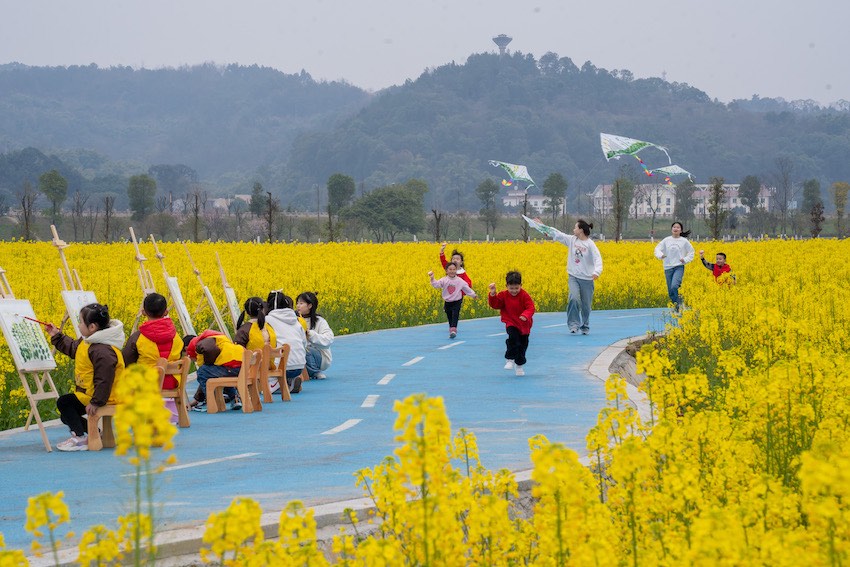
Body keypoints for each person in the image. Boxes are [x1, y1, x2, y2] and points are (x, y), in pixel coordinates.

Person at [45, 303, 125, 452]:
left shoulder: (102, 351)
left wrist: (96, 402)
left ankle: (80, 438)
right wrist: (57, 335)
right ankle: (94, 434)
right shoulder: (89, 342)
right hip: (94, 394)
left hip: (106, 396)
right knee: (66, 415)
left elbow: (104, 379)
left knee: (64, 403)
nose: (79, 325)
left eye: (81, 322)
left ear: (92, 327)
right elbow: (74, 348)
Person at [122, 293, 184, 424]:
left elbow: (126, 361)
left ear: (144, 312)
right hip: (172, 382)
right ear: (166, 311)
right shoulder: (176, 336)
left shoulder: (138, 337)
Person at [540, 218, 603, 335]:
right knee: (573, 299)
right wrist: (543, 227)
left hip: (587, 279)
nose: (573, 229)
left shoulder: (590, 244)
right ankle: (573, 325)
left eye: (575, 227)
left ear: (580, 230)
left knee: (586, 305)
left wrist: (596, 272)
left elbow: (597, 258)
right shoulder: (572, 240)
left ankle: (585, 326)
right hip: (573, 276)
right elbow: (558, 234)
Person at [488, 271, 535, 376]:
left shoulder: (524, 295)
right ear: (507, 286)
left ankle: (519, 365)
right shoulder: (503, 295)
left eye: (516, 288)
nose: (514, 291)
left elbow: (531, 307)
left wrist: (525, 315)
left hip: (524, 325)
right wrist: (492, 294)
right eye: (511, 288)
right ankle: (509, 359)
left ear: (521, 286)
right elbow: (495, 304)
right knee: (513, 338)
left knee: (522, 346)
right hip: (511, 322)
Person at [184, 330, 244, 412]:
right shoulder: (217, 338)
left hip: (231, 368)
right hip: (239, 367)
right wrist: (197, 399)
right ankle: (235, 398)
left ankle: (213, 401)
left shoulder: (200, 345)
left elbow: (204, 367)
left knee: (202, 371)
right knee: (217, 373)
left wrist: (207, 363)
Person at [264, 291, 307, 394]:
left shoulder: (268, 319)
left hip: (282, 366)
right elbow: (304, 342)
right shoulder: (295, 319)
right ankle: (291, 381)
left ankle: (275, 383)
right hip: (300, 365)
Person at [428, 262, 478, 339]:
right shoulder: (444, 280)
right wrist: (432, 278)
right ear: (446, 271)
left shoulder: (459, 280)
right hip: (447, 302)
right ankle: (452, 329)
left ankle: (453, 329)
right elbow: (436, 285)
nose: (452, 271)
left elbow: (466, 288)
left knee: (455, 314)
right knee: (449, 316)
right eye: (450, 269)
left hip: (457, 301)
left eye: (454, 269)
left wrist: (473, 294)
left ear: (456, 270)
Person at [654, 221, 695, 309]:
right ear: (671, 229)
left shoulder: (684, 241)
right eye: (674, 227)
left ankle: (680, 304)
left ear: (681, 230)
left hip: (679, 266)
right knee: (670, 291)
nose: (675, 229)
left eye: (678, 227)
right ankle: (676, 306)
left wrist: (685, 259)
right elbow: (657, 249)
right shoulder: (666, 240)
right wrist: (661, 255)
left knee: (674, 286)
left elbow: (691, 252)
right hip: (668, 267)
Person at [295, 291, 334, 380]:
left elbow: (329, 340)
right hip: (303, 356)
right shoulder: (295, 320)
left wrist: (310, 335)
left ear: (310, 306)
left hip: (320, 357)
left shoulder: (320, 321)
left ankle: (315, 371)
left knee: (305, 350)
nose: (298, 306)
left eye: (301, 303)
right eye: (297, 303)